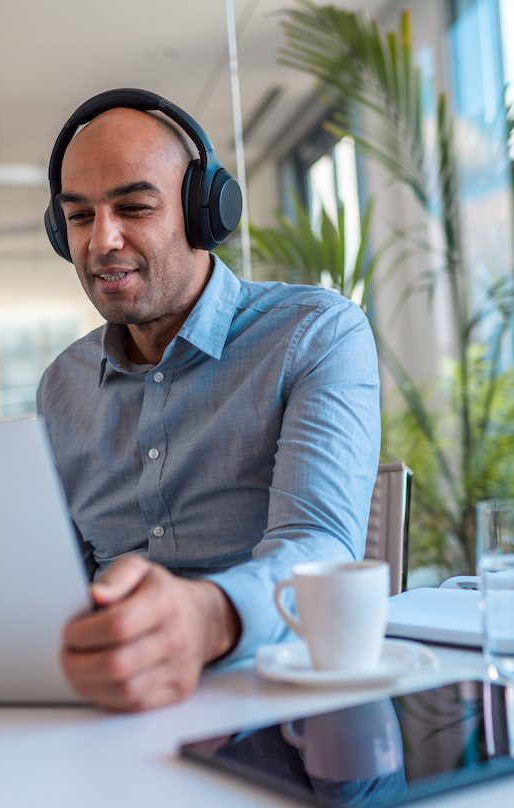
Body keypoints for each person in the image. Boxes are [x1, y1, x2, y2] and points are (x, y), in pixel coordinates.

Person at [37, 89, 381, 712]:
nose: (101, 242)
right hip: (110, 708)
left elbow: (320, 546)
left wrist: (204, 619)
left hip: (273, 702)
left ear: (205, 213)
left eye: (134, 207)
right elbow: (50, 577)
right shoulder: (62, 385)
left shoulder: (316, 333)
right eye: (80, 217)